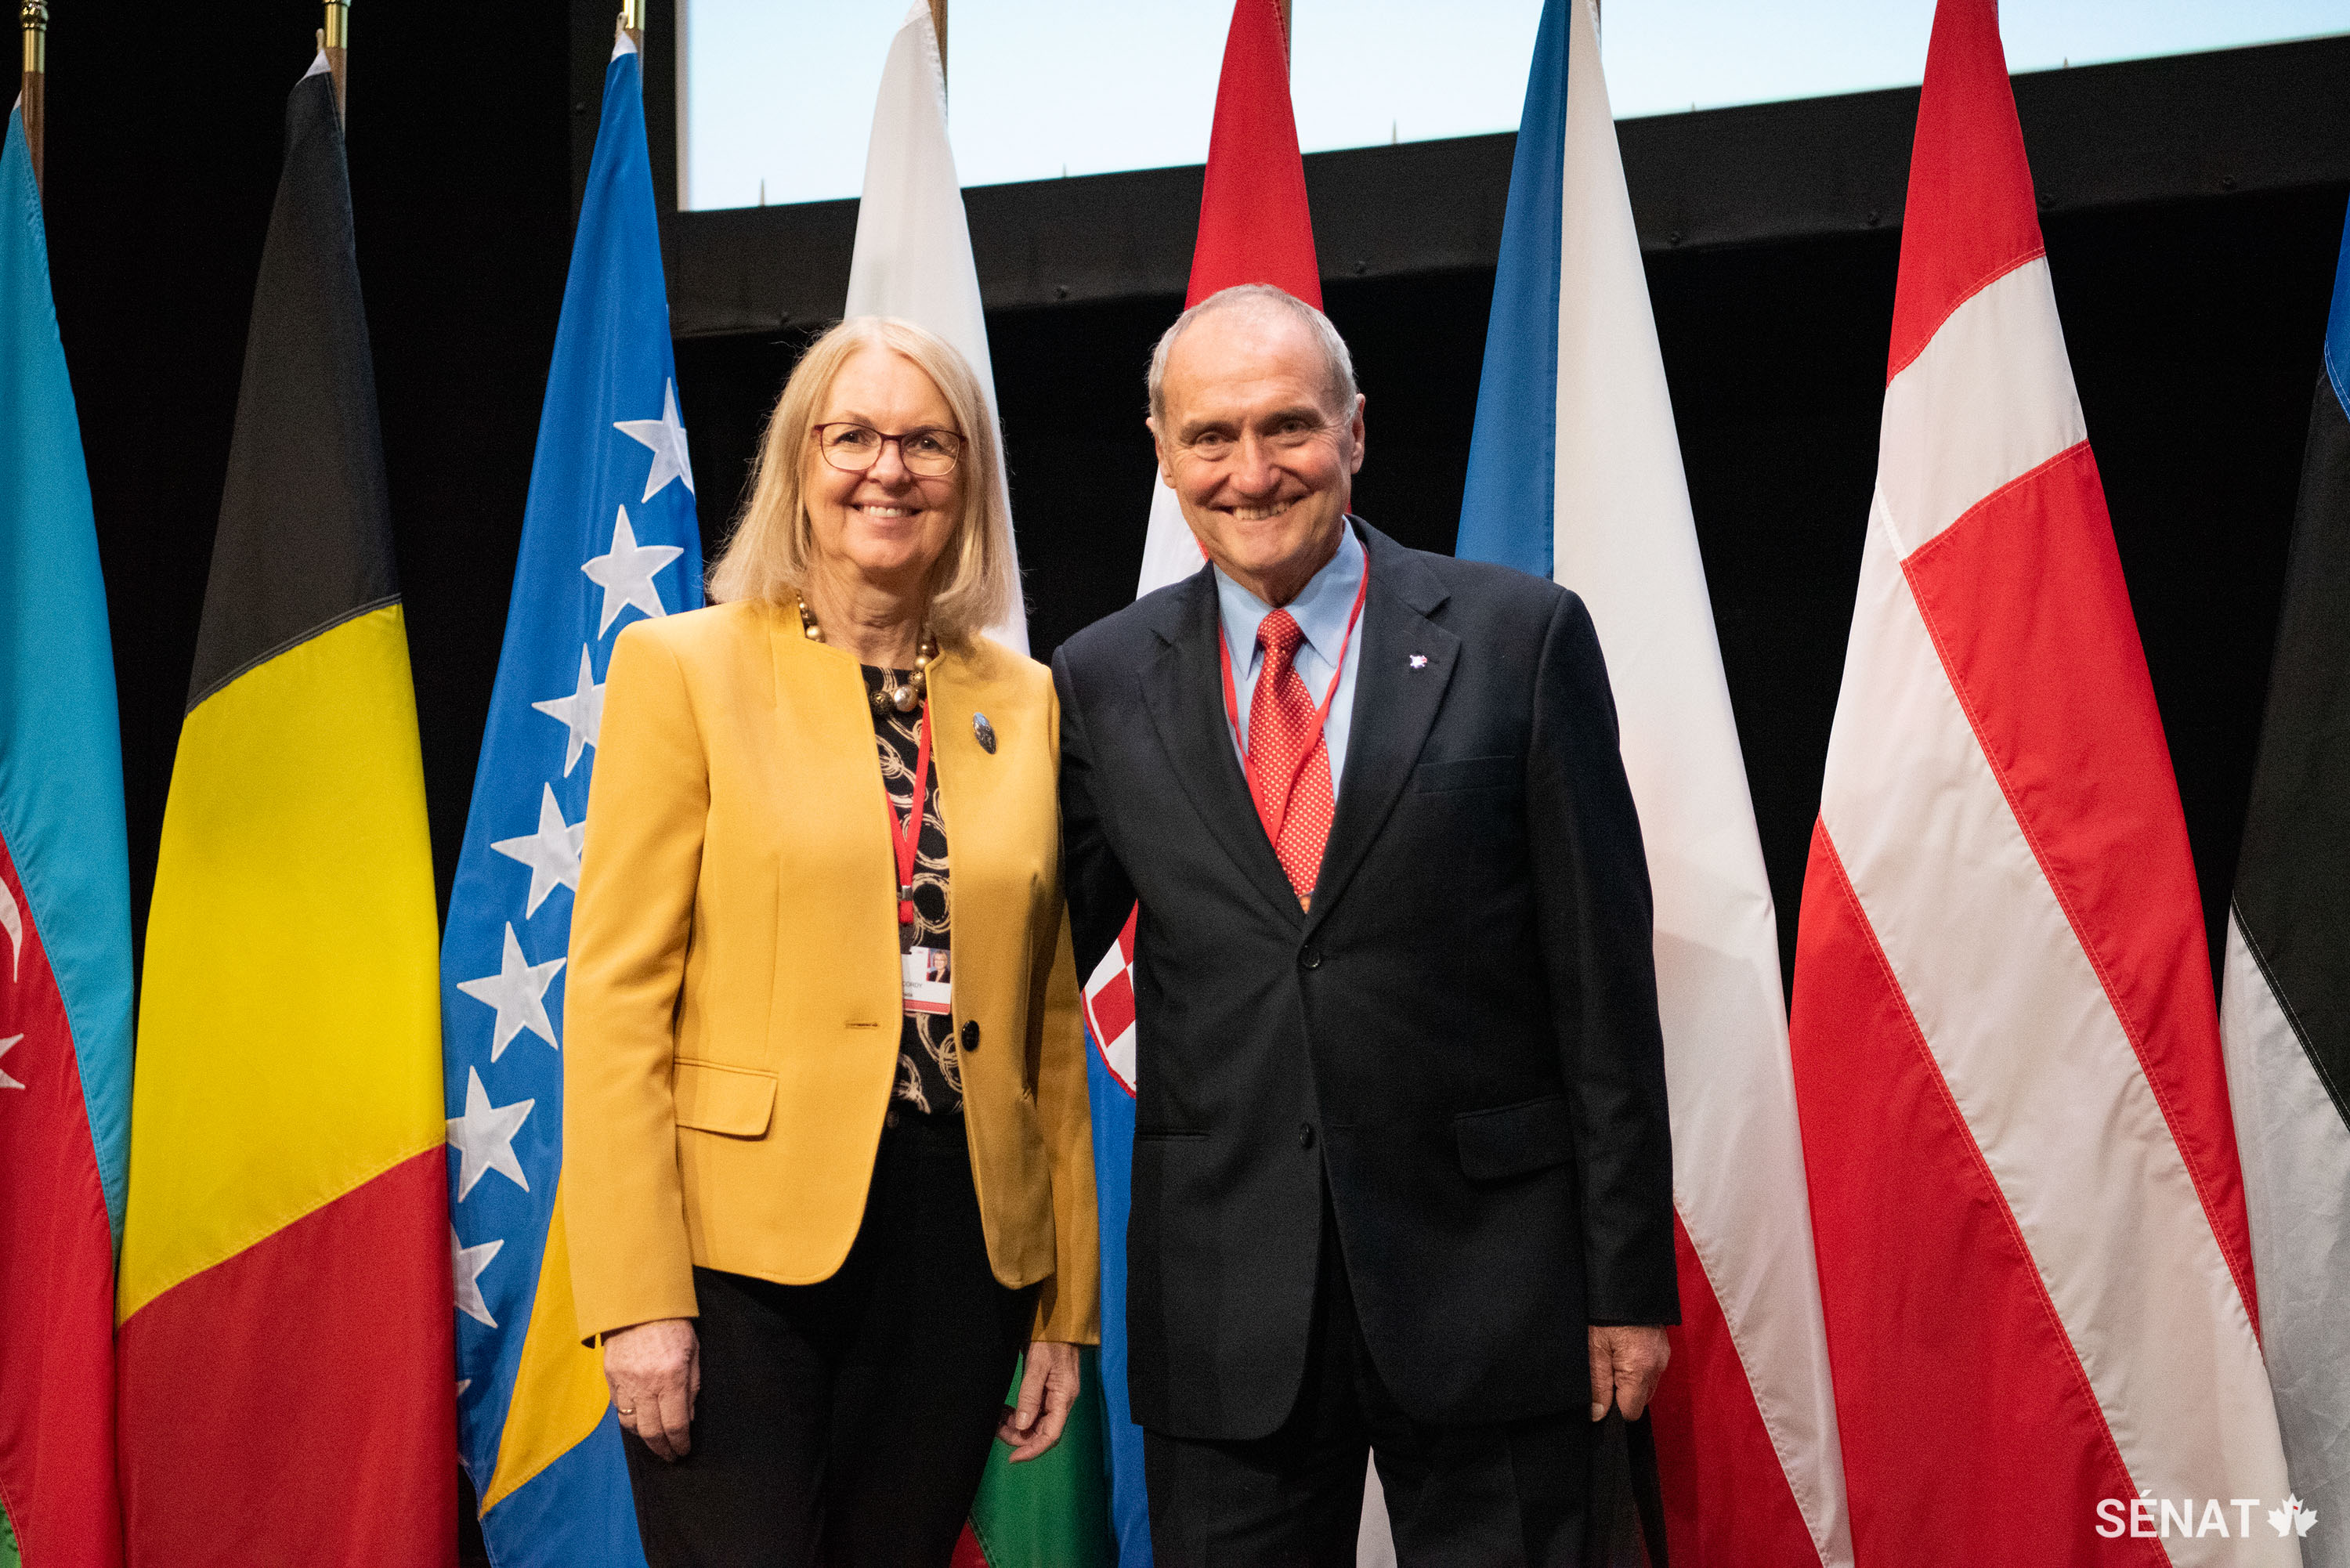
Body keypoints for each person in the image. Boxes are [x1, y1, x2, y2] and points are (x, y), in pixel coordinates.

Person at [1053, 284, 1678, 1566]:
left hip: (1494, 1288)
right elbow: (1031, 964)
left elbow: (1603, 992)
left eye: (1287, 426)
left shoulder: (1518, 639)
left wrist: (1626, 1283)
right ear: (1163, 453)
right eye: (1210, 436)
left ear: (1355, 433)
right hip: (1224, 1297)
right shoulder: (1098, 679)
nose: (1251, 470)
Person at [565, 315, 1098, 1568]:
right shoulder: (681, 668)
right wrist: (640, 1296)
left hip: (961, 1245)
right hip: (736, 1253)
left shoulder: (1024, 701)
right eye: (852, 435)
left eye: (926, 442)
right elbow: (615, 1001)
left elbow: (1049, 1021)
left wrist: (1065, 1302)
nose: (888, 468)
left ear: (969, 480)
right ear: (798, 465)